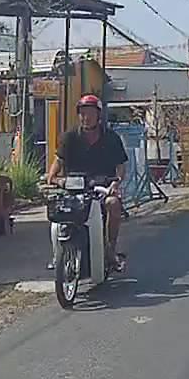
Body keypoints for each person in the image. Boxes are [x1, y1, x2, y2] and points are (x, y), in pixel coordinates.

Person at [45, 94, 129, 271]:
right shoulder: (69, 137)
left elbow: (121, 167)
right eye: (82, 113)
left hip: (101, 189)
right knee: (58, 212)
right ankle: (58, 253)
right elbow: (58, 161)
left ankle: (110, 249)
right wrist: (53, 178)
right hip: (74, 190)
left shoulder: (111, 137)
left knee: (113, 204)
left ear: (98, 115)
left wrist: (116, 183)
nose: (86, 117)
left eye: (90, 113)